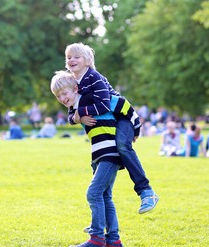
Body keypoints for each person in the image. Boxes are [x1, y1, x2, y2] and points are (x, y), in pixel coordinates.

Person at [64, 42, 159, 214]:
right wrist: (76, 118)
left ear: (87, 60)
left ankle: (146, 192)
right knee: (102, 163)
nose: (72, 60)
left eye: (76, 56)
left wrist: (81, 113)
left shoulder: (94, 77)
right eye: (69, 57)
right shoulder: (72, 82)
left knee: (122, 145)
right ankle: (100, 220)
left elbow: (104, 105)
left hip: (123, 116)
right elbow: (71, 111)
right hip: (108, 124)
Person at [51, 70, 126, 247]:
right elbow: (71, 116)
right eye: (58, 95)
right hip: (100, 153)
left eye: (65, 93)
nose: (62, 98)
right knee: (105, 196)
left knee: (93, 193)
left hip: (110, 152)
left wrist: (79, 114)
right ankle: (113, 240)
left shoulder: (88, 98)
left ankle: (97, 239)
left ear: (76, 88)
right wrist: (76, 117)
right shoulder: (74, 106)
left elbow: (103, 98)